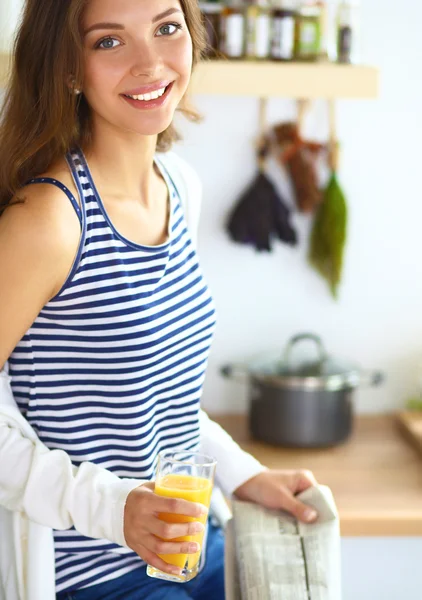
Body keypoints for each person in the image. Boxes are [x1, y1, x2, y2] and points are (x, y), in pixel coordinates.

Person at [0, 1, 319, 599]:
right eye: (108, 42)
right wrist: (112, 508)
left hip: (190, 541)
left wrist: (243, 475)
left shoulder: (179, 185)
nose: (151, 63)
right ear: (68, 65)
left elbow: (160, 401)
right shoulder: (49, 221)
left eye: (166, 29)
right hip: (91, 573)